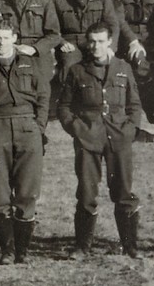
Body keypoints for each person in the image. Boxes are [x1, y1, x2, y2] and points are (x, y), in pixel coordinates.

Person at [55, 23, 143, 259]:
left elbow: (134, 105)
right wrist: (76, 128)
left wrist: (131, 129)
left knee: (123, 191)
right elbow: (63, 106)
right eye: (92, 41)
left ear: (110, 42)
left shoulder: (123, 67)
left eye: (101, 41)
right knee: (86, 191)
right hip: (88, 137)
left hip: (118, 136)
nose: (96, 46)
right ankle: (82, 247)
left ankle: (130, 245)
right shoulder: (76, 71)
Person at [0, 23, 48, 264]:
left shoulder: (30, 63)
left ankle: (22, 251)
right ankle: (6, 251)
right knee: (0, 190)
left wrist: (39, 127)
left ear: (15, 38)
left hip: (28, 127)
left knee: (27, 190)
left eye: (6, 37)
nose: (1, 42)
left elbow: (44, 96)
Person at [50, 0, 121, 82]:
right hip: (70, 43)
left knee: (103, 66)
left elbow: (113, 24)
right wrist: (61, 42)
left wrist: (111, 47)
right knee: (70, 66)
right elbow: (51, 26)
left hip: (95, 41)